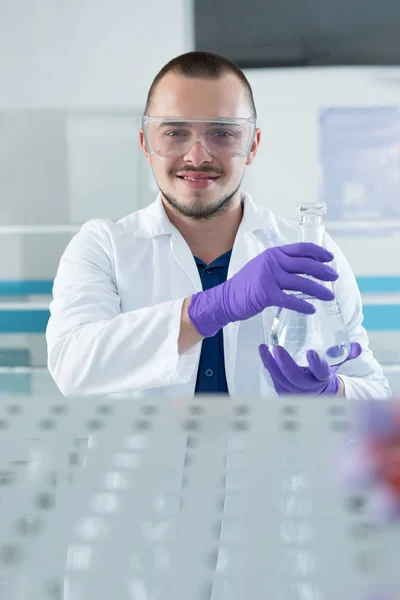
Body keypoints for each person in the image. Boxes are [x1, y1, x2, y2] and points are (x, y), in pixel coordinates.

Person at [46, 51, 391, 400]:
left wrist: (332, 393)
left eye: (222, 133)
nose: (197, 157)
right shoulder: (103, 247)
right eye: (175, 132)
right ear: (146, 145)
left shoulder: (311, 256)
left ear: (252, 145)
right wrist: (212, 307)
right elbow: (72, 367)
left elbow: (373, 391)